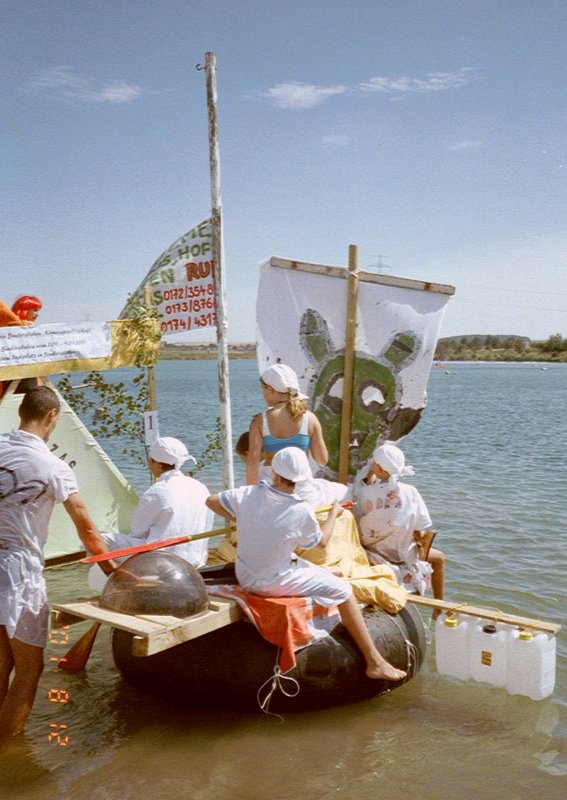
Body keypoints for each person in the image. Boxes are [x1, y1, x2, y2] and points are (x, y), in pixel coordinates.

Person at [206, 447, 406, 682]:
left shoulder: (247, 495)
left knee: (300, 563)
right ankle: (375, 662)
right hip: (269, 581)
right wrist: (334, 511)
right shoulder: (300, 511)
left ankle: (323, 574)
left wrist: (244, 519)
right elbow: (320, 544)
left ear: (274, 473)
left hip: (246, 571)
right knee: (344, 590)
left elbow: (211, 501)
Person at [0, 386, 116, 739]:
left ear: (22, 413)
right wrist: (117, 575)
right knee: (30, 668)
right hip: (19, 571)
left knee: (1, 664)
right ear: (52, 416)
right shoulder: (53, 467)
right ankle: (7, 754)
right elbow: (89, 531)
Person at [89, 436, 213, 590]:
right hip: (195, 559)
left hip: (161, 562)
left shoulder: (157, 491)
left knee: (99, 538)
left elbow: (138, 531)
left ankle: (121, 582)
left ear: (156, 464)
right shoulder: (200, 487)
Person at [353, 443, 446, 603]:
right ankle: (439, 606)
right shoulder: (411, 491)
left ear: (380, 470)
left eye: (374, 463)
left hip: (375, 552)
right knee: (440, 558)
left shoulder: (365, 493)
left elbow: (360, 519)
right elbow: (421, 527)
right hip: (403, 553)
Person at [246, 363, 328, 484]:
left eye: (263, 389)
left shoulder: (260, 420)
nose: (263, 394)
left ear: (270, 389)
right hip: (300, 482)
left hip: (270, 481)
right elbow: (322, 460)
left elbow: (253, 462)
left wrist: (249, 492)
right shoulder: (310, 419)